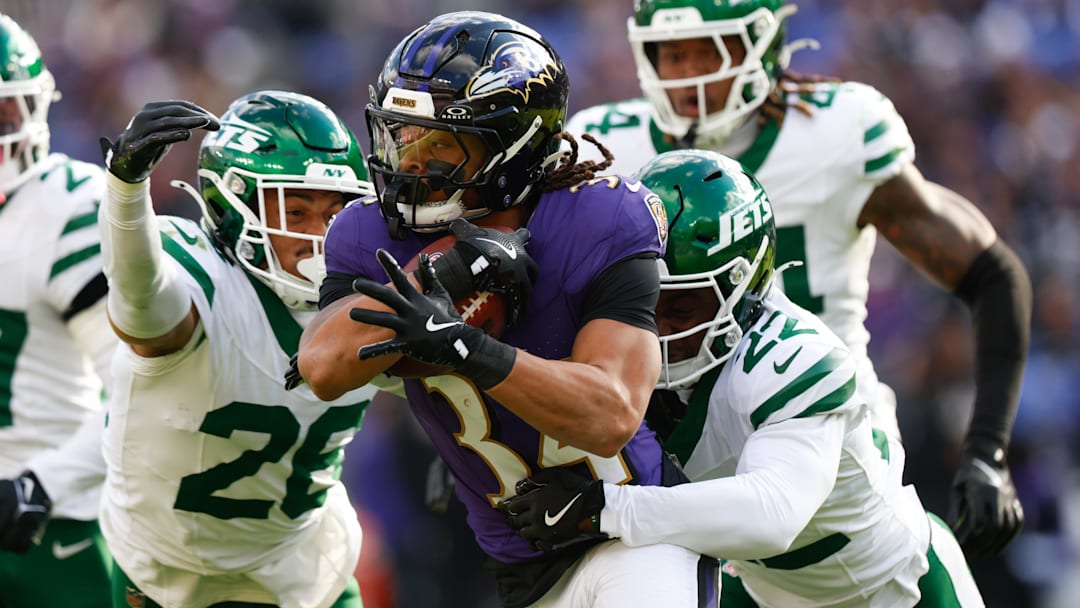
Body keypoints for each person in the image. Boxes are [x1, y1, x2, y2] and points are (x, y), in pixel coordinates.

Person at [562, 0, 1031, 558]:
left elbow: (992, 272)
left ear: (763, 44)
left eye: (711, 51)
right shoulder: (604, 145)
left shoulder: (834, 131)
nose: (691, 76)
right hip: (660, 425)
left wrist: (987, 448)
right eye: (672, 54)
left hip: (819, 421)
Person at [295, 11, 718, 608]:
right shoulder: (368, 233)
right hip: (518, 561)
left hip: (632, 533)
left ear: (514, 148)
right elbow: (322, 366)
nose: (410, 164)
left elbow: (611, 413)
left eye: (439, 144)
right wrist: (440, 268)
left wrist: (467, 349)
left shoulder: (599, 220)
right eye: (400, 136)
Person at [501, 149, 987, 607]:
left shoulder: (793, 358)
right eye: (646, 299)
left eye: (682, 305)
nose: (657, 326)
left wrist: (608, 509)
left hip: (892, 589)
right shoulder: (617, 333)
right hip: (756, 589)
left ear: (742, 288)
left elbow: (772, 515)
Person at [96, 90, 377, 608]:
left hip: (308, 572)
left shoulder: (368, 289)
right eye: (296, 210)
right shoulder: (198, 272)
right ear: (232, 206)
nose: (321, 236)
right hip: (169, 580)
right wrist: (127, 193)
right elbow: (144, 309)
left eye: (335, 212)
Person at [0, 13, 115, 607]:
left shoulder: (64, 209)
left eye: (4, 117)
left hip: (49, 530)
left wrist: (38, 484)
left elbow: (144, 395)